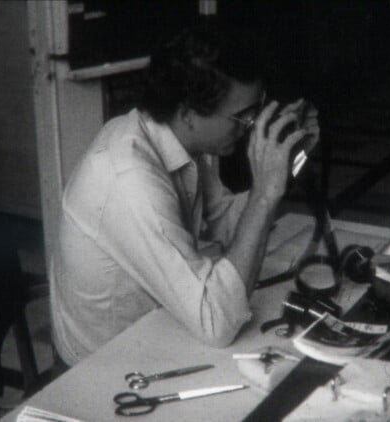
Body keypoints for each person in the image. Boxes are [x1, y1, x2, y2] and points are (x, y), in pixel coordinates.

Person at [50, 22, 320, 366]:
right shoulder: (130, 179)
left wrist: (288, 160)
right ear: (189, 113)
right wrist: (265, 194)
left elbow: (227, 227)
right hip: (100, 371)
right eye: (242, 117)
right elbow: (216, 322)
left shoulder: (180, 140)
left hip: (156, 329)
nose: (250, 126)